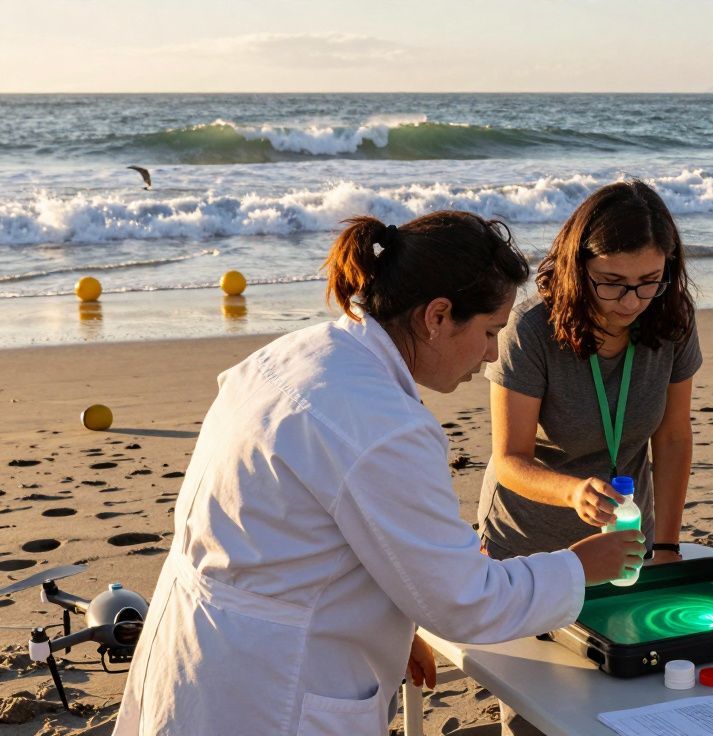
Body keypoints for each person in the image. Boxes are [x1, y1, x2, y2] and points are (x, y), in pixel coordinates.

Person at [114, 213, 644, 736]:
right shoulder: (385, 427)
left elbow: (306, 533)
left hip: (199, 645)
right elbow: (466, 603)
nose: (489, 356)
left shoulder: (297, 354)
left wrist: (393, 615)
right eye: (487, 332)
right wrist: (577, 568)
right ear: (437, 316)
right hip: (272, 684)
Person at [478, 180, 700, 566]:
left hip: (629, 539)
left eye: (649, 282)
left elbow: (674, 438)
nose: (631, 301)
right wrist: (573, 492)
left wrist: (666, 545)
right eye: (612, 283)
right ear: (577, 268)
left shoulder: (672, 318)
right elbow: (510, 459)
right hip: (526, 548)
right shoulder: (529, 330)